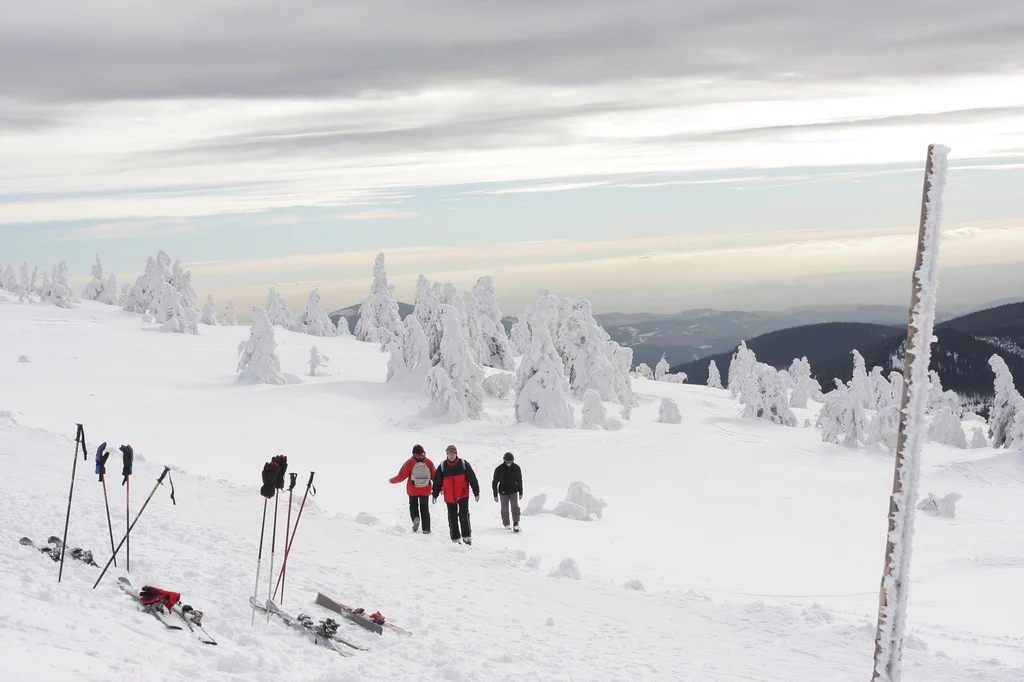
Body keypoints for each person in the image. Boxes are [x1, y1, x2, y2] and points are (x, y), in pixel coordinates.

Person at [432, 444, 480, 545]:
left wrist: (476, 492)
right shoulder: (442, 466)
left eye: (453, 453)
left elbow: (472, 478)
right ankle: (455, 538)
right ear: (447, 454)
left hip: (463, 494)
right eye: (449, 453)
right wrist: (435, 494)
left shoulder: (463, 464)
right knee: (452, 517)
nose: (451, 455)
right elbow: (437, 481)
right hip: (449, 496)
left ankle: (466, 536)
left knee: (464, 515)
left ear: (456, 453)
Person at [389, 444, 435, 533]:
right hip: (425, 489)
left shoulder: (410, 462)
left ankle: (415, 518)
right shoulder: (428, 462)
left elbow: (401, 475)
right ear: (423, 452)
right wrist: (441, 487)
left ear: (413, 452)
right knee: (425, 509)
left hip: (413, 489)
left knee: (413, 506)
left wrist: (392, 481)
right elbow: (435, 476)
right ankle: (426, 529)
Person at [492, 452, 523, 532]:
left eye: (510, 462)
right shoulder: (499, 469)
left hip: (513, 490)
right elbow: (495, 482)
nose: (509, 463)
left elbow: (519, 480)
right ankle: (506, 524)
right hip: (503, 491)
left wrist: (521, 492)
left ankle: (516, 523)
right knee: (504, 508)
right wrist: (495, 494)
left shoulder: (516, 468)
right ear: (504, 461)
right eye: (507, 462)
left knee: (515, 507)